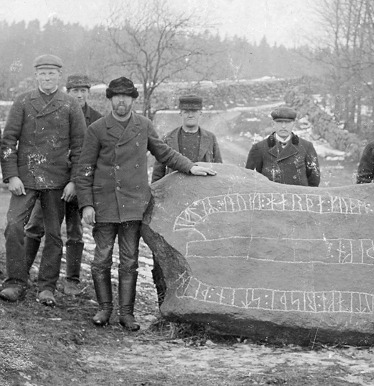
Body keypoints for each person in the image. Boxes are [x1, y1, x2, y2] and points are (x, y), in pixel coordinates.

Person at [75, 77, 217, 331]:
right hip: (104, 204)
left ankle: (126, 314)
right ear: (110, 100)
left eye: (126, 97)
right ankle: (104, 309)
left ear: (133, 100)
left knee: (129, 260)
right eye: (116, 96)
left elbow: (164, 153)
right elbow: (84, 169)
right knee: (101, 258)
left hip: (132, 205)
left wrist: (191, 166)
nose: (121, 101)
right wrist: (87, 204)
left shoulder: (143, 126)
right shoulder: (97, 129)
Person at [0, 55, 86, 305]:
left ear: (59, 76)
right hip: (25, 180)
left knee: (54, 235)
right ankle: (15, 282)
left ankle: (46, 287)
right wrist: (12, 175)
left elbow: (81, 147)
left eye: (51, 74)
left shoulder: (70, 105)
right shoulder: (23, 102)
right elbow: (7, 142)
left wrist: (73, 181)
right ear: (36, 75)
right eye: (42, 74)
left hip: (57, 181)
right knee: (14, 226)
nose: (47, 78)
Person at [23, 74, 102, 296]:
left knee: (75, 232)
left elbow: (95, 157)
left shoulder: (97, 120)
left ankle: (72, 280)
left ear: (88, 92)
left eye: (83, 91)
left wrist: (76, 182)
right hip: (51, 183)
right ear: (68, 92)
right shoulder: (57, 112)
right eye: (74, 91)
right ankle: (22, 273)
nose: (79, 95)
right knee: (35, 227)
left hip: (80, 185)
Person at [150, 94, 223, 307]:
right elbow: (157, 174)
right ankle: (164, 304)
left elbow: (219, 170)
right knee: (165, 258)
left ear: (201, 113)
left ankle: (200, 305)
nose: (190, 114)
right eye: (186, 111)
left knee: (200, 255)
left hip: (202, 208)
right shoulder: (168, 139)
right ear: (180, 113)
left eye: (194, 111)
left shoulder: (210, 139)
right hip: (173, 206)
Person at [245, 106, 320, 186]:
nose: (283, 126)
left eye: (287, 123)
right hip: (272, 197)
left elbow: (314, 180)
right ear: (273, 124)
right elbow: (250, 178)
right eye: (279, 122)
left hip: (297, 197)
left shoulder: (306, 147)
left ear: (293, 124)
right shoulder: (258, 148)